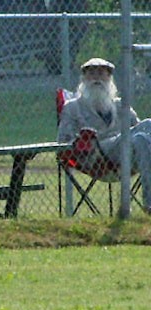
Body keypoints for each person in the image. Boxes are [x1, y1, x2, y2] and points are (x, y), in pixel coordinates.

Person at [57, 57, 151, 212]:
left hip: (124, 155)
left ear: (109, 78)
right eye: (92, 73)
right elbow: (62, 141)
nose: (96, 78)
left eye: (102, 73)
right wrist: (80, 140)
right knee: (140, 137)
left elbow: (140, 129)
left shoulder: (121, 105)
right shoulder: (72, 107)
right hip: (95, 155)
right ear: (83, 78)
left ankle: (150, 203)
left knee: (147, 126)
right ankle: (149, 203)